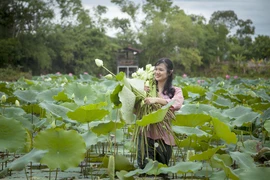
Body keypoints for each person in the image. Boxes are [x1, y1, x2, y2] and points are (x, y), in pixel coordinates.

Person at [136, 58, 184, 179]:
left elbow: (176, 104)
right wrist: (140, 93)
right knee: (145, 172)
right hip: (146, 135)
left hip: (164, 137)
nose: (157, 72)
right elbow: (135, 108)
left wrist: (156, 100)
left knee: (162, 173)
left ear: (169, 72)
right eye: (155, 69)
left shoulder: (175, 91)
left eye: (161, 70)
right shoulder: (146, 88)